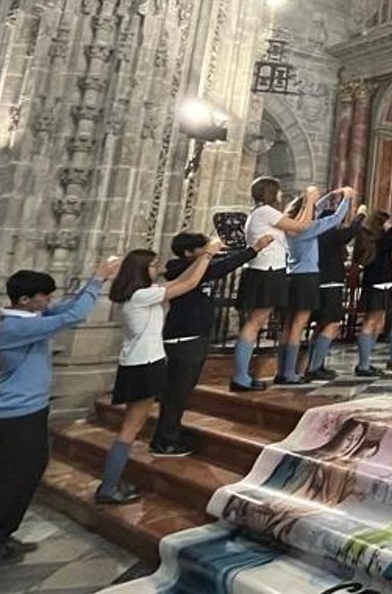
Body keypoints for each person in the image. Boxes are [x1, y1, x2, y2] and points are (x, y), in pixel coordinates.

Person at [0, 257, 119, 569]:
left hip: (30, 409)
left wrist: (88, 280)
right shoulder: (17, 326)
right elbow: (72, 316)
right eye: (44, 296)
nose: (49, 301)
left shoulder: (31, 315)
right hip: (14, 414)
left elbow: (63, 309)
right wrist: (99, 279)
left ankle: (3, 534)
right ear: (25, 299)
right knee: (5, 479)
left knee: (29, 471)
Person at [96, 243, 219, 504]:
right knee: (130, 428)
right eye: (153, 266)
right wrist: (207, 255)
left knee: (132, 425)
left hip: (136, 362)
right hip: (145, 365)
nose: (157, 269)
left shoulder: (137, 294)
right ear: (141, 270)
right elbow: (188, 284)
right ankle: (108, 486)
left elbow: (181, 279)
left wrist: (203, 256)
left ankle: (111, 482)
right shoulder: (142, 296)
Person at [152, 230, 272, 456]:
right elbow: (221, 267)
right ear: (189, 252)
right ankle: (165, 440)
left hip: (194, 336)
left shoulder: (199, 267)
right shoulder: (179, 269)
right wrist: (254, 249)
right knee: (177, 392)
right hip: (184, 336)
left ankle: (171, 432)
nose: (208, 252)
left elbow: (222, 262)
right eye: (202, 248)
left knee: (182, 390)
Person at [232, 178, 317, 392]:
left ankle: (242, 375)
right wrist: (310, 201)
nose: (281, 196)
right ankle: (240, 376)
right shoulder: (265, 212)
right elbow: (302, 226)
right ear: (272, 193)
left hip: (265, 270)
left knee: (255, 322)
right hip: (266, 271)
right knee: (254, 323)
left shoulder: (261, 213)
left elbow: (293, 230)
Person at [279, 188, 354, 384]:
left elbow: (314, 211)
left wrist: (327, 197)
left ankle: (282, 370)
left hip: (291, 278)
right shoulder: (307, 229)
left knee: (288, 326)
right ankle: (289, 373)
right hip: (307, 278)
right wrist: (347, 198)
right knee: (297, 326)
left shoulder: (289, 228)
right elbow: (336, 218)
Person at [304, 197, 363, 381]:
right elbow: (350, 232)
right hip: (331, 284)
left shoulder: (316, 235)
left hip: (320, 282)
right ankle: (314, 367)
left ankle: (314, 364)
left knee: (321, 325)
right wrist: (360, 215)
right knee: (332, 324)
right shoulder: (328, 235)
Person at [352, 210, 392, 377]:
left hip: (382, 283)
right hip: (377, 284)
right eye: (387, 222)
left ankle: (366, 360)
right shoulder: (377, 240)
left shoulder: (375, 239)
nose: (390, 225)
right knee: (371, 322)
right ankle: (363, 364)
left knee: (378, 322)